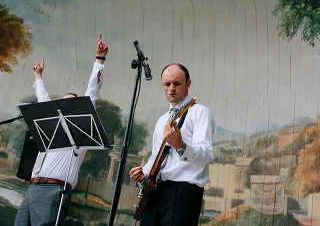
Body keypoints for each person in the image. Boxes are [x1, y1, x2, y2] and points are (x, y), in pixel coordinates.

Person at [13, 35, 108, 226]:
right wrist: (38, 76)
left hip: (54, 191)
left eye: (70, 102)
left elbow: (92, 94)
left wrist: (99, 60)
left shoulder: (80, 132)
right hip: (32, 188)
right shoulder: (49, 127)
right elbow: (43, 101)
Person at [129, 64, 215, 226]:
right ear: (163, 86)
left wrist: (181, 146)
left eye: (177, 83)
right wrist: (143, 173)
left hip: (184, 190)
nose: (172, 88)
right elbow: (155, 157)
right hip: (157, 189)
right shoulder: (162, 120)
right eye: (167, 84)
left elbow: (206, 154)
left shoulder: (201, 112)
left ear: (188, 84)